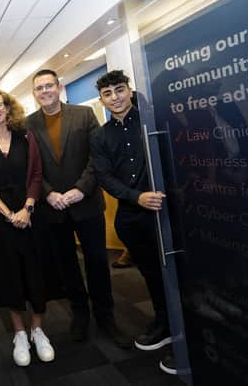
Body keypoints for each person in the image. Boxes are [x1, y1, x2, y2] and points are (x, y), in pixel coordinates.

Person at [25, 69, 130, 348]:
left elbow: (97, 158)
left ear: (59, 87)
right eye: (39, 88)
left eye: (49, 85)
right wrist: (48, 194)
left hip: (86, 204)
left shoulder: (83, 115)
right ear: (34, 93)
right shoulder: (27, 125)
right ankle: (80, 314)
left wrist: (79, 190)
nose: (45, 91)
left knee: (97, 263)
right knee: (67, 266)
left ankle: (106, 316)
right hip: (52, 208)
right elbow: (31, 167)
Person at [90, 70, 173, 372]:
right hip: (132, 216)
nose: (115, 97)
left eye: (120, 90)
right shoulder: (99, 136)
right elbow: (104, 177)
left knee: (176, 271)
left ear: (129, 90)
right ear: (101, 100)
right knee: (151, 273)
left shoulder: (153, 119)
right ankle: (165, 322)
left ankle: (182, 323)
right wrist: (135, 197)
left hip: (166, 208)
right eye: (108, 94)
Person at [0, 88, 54, 367]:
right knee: (10, 275)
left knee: (36, 271)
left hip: (30, 214)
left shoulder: (26, 136)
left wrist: (27, 209)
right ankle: (19, 332)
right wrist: (10, 214)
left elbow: (37, 174)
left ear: (8, 108)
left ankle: (38, 329)